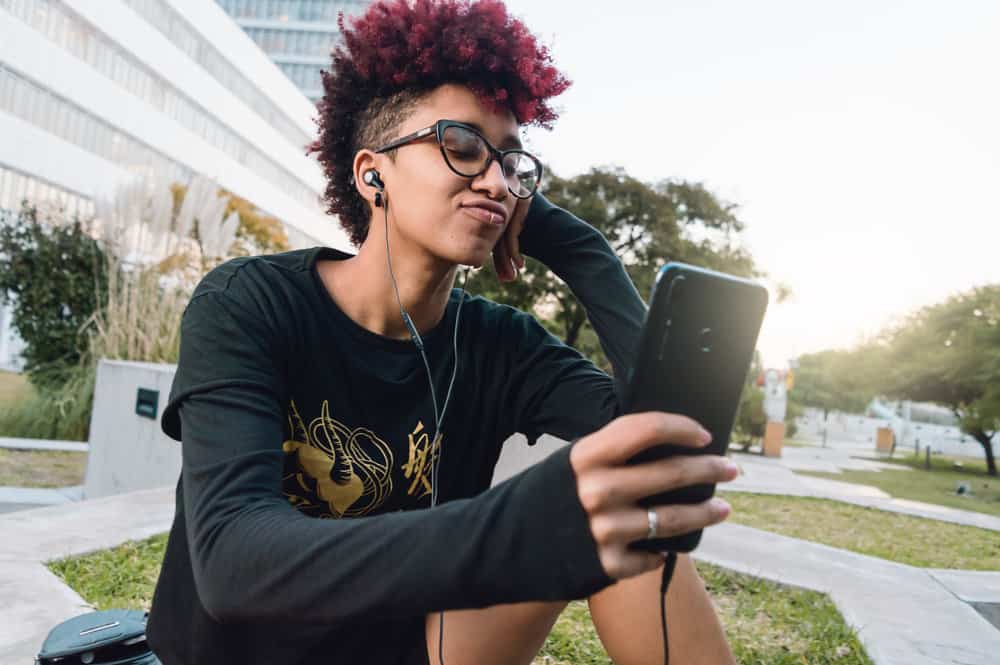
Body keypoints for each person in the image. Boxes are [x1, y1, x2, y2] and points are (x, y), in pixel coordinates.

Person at [146, 1, 739, 664]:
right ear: (373, 172)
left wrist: (578, 246)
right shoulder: (248, 304)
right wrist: (526, 525)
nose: (494, 180)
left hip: (414, 651)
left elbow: (678, 444)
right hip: (241, 656)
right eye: (461, 147)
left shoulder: (500, 343)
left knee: (638, 524)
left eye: (513, 165)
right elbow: (233, 562)